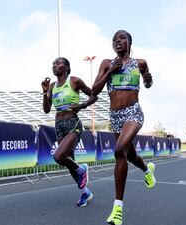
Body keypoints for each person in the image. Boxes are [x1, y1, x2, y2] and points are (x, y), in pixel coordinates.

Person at [90, 30, 156, 225]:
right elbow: (94, 90)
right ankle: (147, 171)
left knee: (119, 151)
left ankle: (117, 209)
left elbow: (148, 81)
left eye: (121, 38)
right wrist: (111, 70)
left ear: (129, 42)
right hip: (115, 116)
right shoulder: (106, 63)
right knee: (130, 156)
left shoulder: (140, 63)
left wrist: (148, 80)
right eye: (114, 39)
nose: (117, 41)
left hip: (133, 112)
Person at [41, 57, 98, 207]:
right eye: (53, 64)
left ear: (66, 68)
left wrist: (82, 105)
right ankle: (85, 192)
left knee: (59, 156)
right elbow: (46, 110)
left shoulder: (74, 81)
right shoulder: (52, 86)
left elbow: (94, 95)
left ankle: (82, 168)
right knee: (68, 161)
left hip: (73, 123)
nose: (54, 66)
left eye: (58, 63)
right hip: (59, 124)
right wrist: (45, 92)